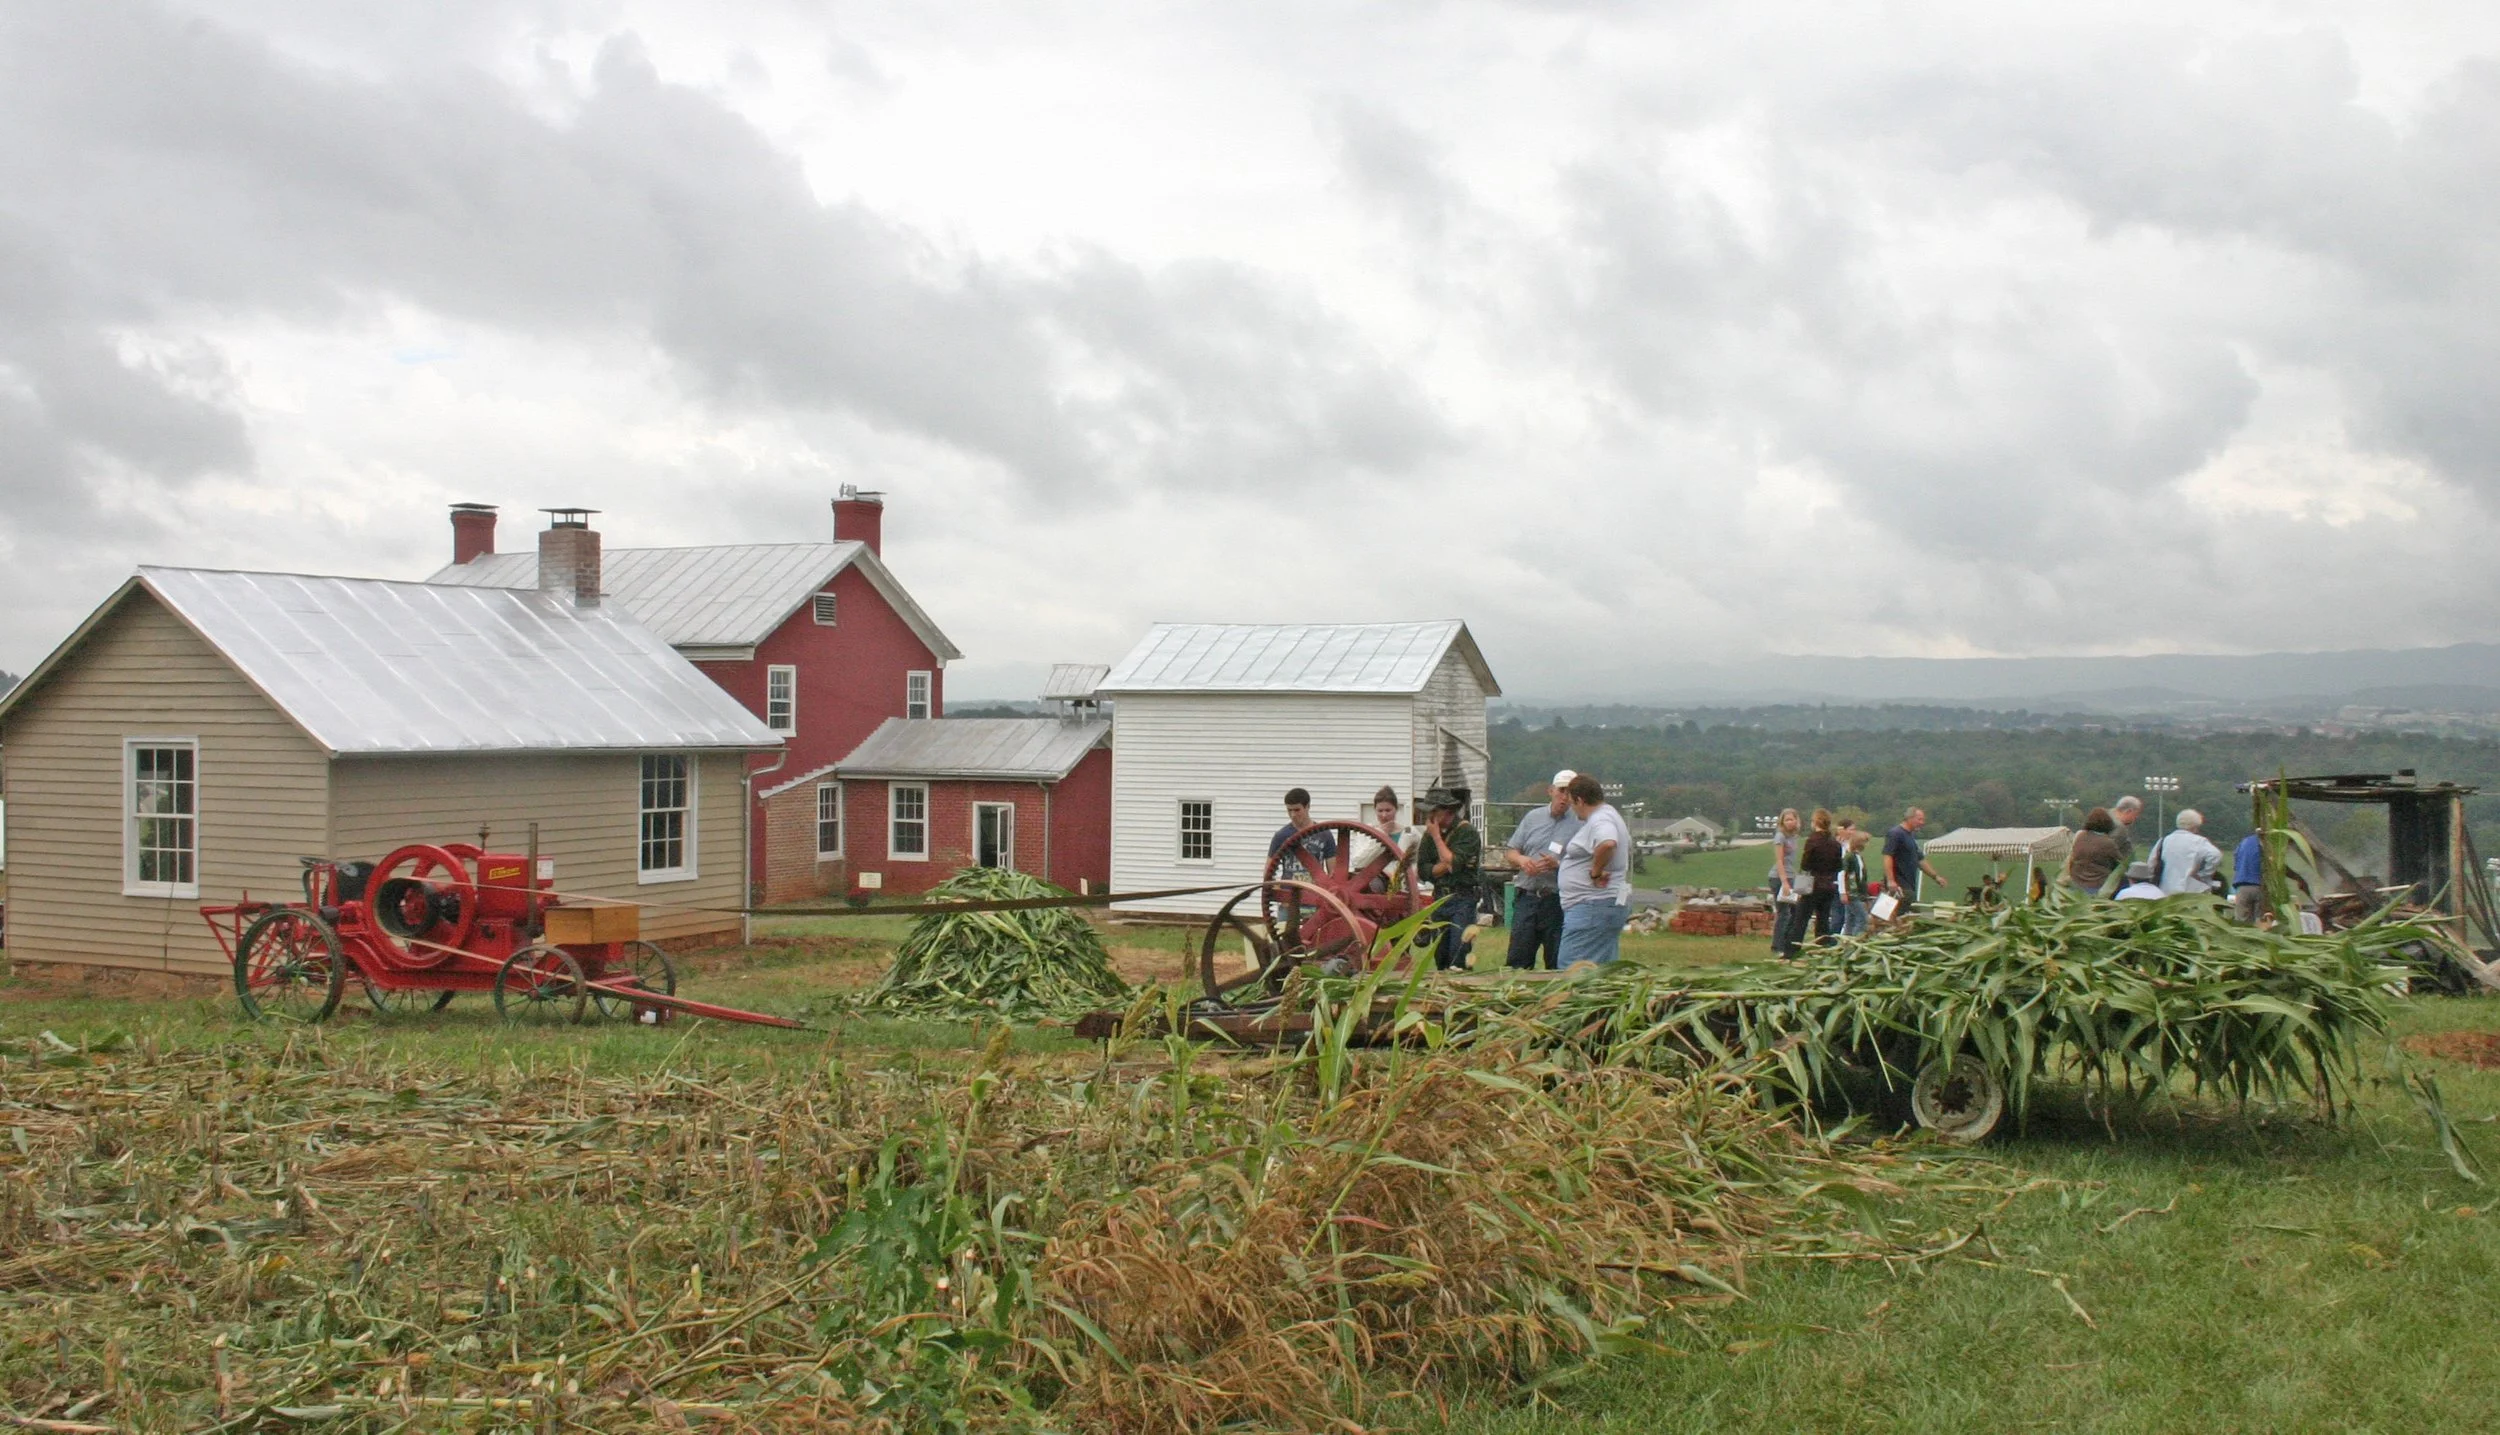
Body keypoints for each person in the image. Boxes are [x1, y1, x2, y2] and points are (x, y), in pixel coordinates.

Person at [1503, 769, 1583, 970]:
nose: (1565, 797)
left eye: (1570, 792)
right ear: (1551, 791)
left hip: (1557, 900)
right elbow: (1511, 851)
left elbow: (1584, 864)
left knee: (1556, 960)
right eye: (1561, 791)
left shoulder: (1581, 823)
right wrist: (1522, 860)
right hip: (1527, 896)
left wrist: (1558, 865)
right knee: (1518, 960)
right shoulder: (1533, 817)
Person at [1558, 774, 1632, 967]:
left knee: (1571, 969)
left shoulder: (1601, 819)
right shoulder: (1608, 814)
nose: (1573, 810)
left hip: (1591, 906)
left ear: (1580, 800)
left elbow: (1607, 843)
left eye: (1572, 803)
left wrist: (1595, 872)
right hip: (1599, 906)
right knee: (1601, 970)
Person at [1414, 788, 1481, 971]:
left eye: (1434, 811)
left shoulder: (1467, 833)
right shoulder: (1428, 836)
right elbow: (1423, 870)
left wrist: (1437, 838)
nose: (1430, 816)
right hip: (1440, 898)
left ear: (1448, 811)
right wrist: (1444, 866)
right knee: (1440, 953)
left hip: (1462, 898)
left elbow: (1454, 863)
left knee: (1459, 950)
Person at [1883, 807, 1946, 913]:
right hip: (1899, 884)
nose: (1922, 823)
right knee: (1908, 914)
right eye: (1919, 819)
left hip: (1909, 884)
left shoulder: (1911, 836)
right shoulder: (1895, 833)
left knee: (1909, 914)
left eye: (1923, 820)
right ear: (1909, 818)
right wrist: (1890, 880)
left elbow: (1920, 860)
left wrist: (1936, 877)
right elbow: (1887, 856)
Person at [1269, 787, 1338, 879]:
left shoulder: (1324, 834)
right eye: (1289, 810)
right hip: (1289, 892)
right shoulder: (1281, 836)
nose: (1293, 815)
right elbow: (1269, 870)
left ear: (1307, 806)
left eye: (1297, 810)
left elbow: (1333, 872)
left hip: (1315, 890)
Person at [1799, 809, 1844, 946]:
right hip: (1829, 885)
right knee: (1823, 920)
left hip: (1813, 883)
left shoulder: (1812, 840)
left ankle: (1792, 950)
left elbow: (1805, 865)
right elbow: (1839, 866)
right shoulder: (1835, 843)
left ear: (1815, 822)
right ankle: (1821, 947)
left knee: (1801, 918)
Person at [2153, 809, 2223, 895]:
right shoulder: (2199, 842)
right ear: (2196, 825)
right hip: (2191, 891)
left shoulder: (2163, 841)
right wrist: (2204, 875)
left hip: (2164, 891)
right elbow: (2215, 855)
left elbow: (2152, 864)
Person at [1349, 786, 1409, 886]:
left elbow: (1414, 863)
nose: (1384, 815)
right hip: (1373, 883)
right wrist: (1381, 834)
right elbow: (1358, 861)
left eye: (1388, 810)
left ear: (1396, 809)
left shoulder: (1408, 834)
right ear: (1375, 810)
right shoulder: (1365, 833)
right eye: (1380, 811)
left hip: (1401, 884)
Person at [1768, 808, 1805, 956]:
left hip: (1791, 875)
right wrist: (1784, 883)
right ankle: (1777, 946)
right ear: (1782, 822)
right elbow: (1780, 860)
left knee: (1795, 911)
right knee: (1783, 913)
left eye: (1792, 819)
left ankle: (1788, 943)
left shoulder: (1793, 837)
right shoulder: (1780, 837)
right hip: (1779, 877)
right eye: (1787, 820)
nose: (1790, 822)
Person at [2063, 808, 2124, 896]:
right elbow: (2119, 864)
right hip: (2097, 887)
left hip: (2075, 885)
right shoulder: (2107, 842)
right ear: (2108, 824)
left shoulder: (2080, 836)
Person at [1839, 828, 1873, 936]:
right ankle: (1854, 940)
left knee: (1850, 920)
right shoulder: (1849, 857)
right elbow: (1841, 874)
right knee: (1862, 919)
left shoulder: (1859, 857)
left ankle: (1845, 941)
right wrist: (1843, 892)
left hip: (1857, 893)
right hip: (1852, 893)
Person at [2231, 829, 2266, 921]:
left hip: (2242, 885)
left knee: (2241, 923)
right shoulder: (2269, 844)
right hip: (2261, 886)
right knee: (2261, 922)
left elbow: (2235, 864)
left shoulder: (2245, 841)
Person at [2108, 796, 2145, 879]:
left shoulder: (2105, 816)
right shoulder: (2120, 828)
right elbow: (2109, 852)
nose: (2135, 818)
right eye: (2135, 815)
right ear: (2129, 811)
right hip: (2113, 876)